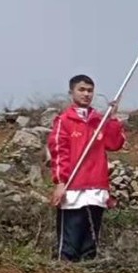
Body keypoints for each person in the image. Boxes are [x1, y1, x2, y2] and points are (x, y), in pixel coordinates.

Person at [48, 74, 126, 261]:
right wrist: (60, 182)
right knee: (69, 244)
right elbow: (59, 152)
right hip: (74, 189)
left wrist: (113, 118)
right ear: (71, 92)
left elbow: (115, 143)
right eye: (81, 90)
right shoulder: (64, 120)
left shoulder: (100, 120)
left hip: (97, 188)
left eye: (90, 90)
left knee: (90, 244)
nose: (86, 94)